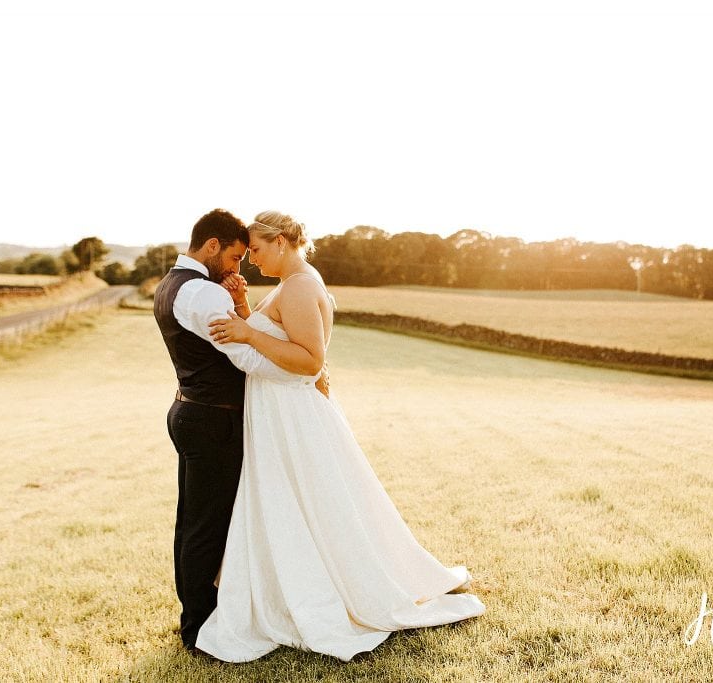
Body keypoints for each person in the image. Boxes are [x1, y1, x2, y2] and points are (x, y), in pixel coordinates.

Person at [194, 210, 485, 662]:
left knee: (310, 499)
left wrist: (248, 332)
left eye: (254, 249)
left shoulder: (302, 285)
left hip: (290, 413)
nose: (249, 260)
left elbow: (309, 360)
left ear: (281, 242)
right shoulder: (296, 283)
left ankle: (331, 590)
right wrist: (247, 310)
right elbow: (289, 340)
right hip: (282, 410)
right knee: (300, 498)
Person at [152, 209, 329, 651]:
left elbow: (274, 344)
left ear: (282, 243)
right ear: (212, 247)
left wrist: (249, 321)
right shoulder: (201, 294)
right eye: (235, 256)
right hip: (213, 419)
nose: (239, 266)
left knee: (202, 522)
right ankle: (199, 623)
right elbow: (249, 359)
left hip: (196, 412)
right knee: (206, 526)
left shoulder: (173, 284)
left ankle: (207, 610)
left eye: (249, 253)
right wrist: (306, 373)